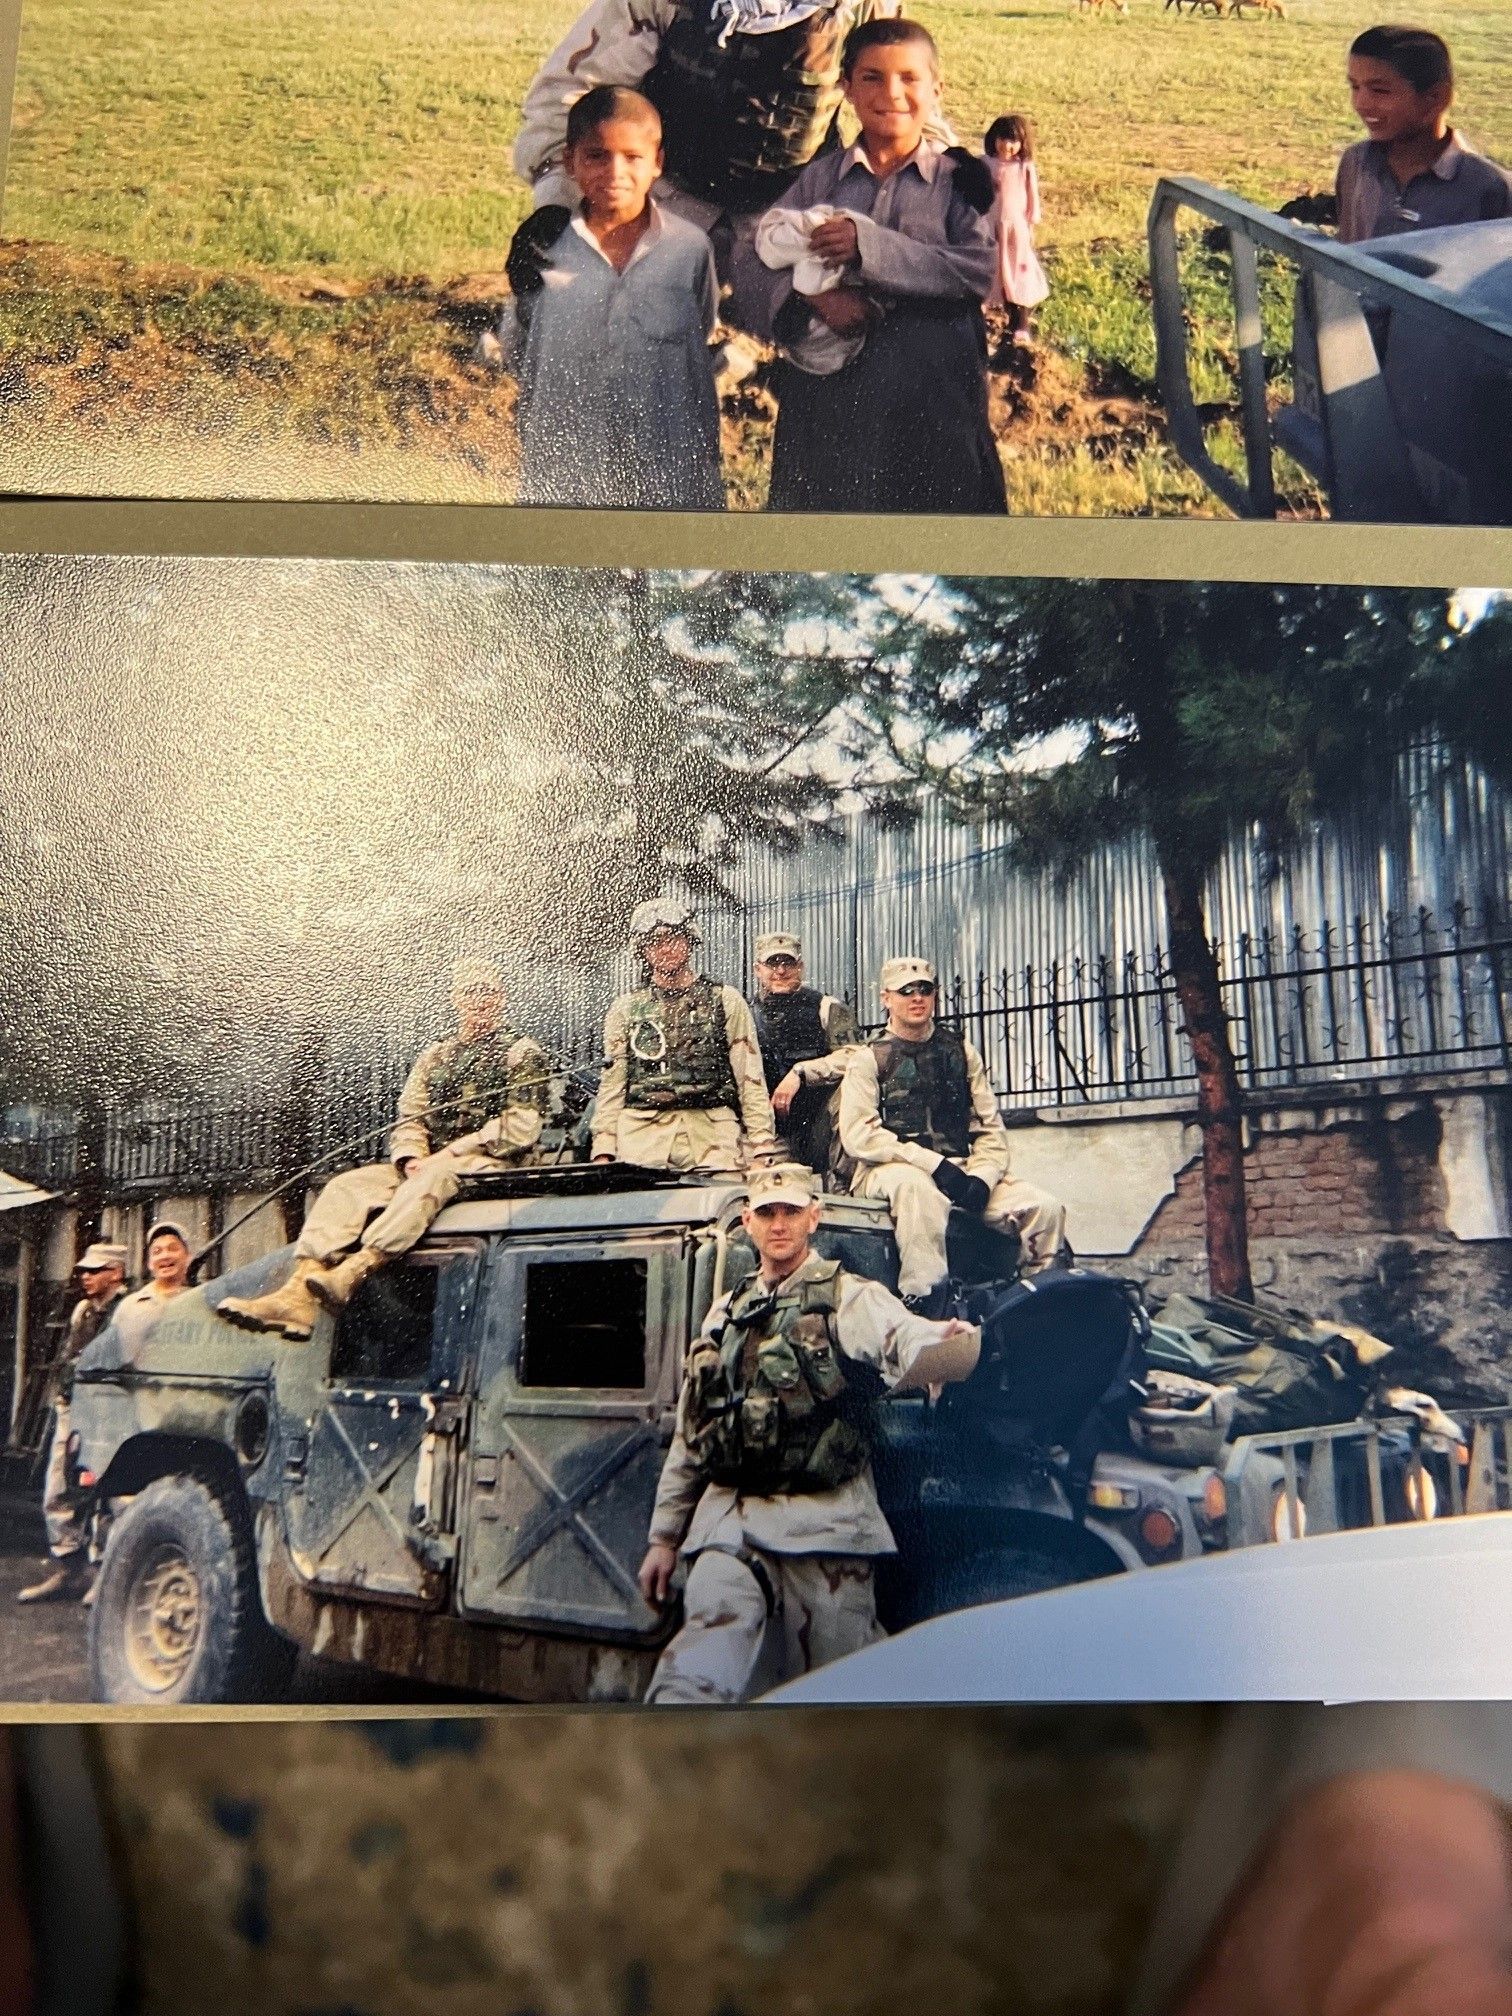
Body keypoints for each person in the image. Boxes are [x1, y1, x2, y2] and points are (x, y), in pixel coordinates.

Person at [637, 1161, 980, 1702]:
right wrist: (664, 1537)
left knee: (843, 1691)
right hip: (732, 1525)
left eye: (791, 1212)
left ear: (813, 1218)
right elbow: (693, 1430)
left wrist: (940, 1340)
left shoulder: (847, 1295)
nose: (779, 1224)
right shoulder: (726, 1314)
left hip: (823, 1528)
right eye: (767, 1213)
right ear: (747, 1222)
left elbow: (898, 1334)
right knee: (694, 1676)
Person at [512, 0, 952, 321]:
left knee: (858, 335)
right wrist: (556, 204)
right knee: (570, 313)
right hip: (668, 200)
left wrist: (950, 183)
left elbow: (903, 106)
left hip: (794, 215)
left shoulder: (857, 7)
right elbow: (569, 97)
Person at [737, 18, 1006, 514]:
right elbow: (751, 255)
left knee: (939, 523)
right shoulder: (821, 178)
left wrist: (871, 246)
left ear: (937, 89)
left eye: (909, 78)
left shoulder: (960, 182)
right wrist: (814, 298)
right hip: (832, 399)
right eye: (871, 78)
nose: (892, 93)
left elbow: (974, 270)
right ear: (845, 88)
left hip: (933, 390)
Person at [217, 959, 550, 1342]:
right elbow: (410, 1117)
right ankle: (298, 1294)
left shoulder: (522, 1052)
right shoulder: (435, 1057)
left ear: (501, 998)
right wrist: (410, 1157)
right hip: (428, 1164)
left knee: (432, 1181)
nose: (479, 1000)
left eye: (488, 991)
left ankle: (352, 1271)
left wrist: (447, 1156)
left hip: (494, 1164)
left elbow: (521, 1126)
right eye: (470, 991)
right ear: (456, 999)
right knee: (347, 1186)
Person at [506, 87, 723, 509]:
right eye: (596, 156)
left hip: (665, 468)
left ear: (657, 162)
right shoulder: (546, 250)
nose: (614, 172)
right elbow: (522, 345)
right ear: (570, 161)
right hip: (567, 469)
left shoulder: (688, 248)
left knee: (667, 567)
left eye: (633, 157)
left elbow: (701, 331)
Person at [838, 955, 1065, 1311]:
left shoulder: (960, 1051)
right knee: (918, 1193)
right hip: (889, 1169)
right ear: (886, 998)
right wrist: (932, 1165)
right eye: (905, 991)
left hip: (961, 1167)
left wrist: (983, 1178)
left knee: (1044, 1207)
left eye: (924, 990)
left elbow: (989, 1128)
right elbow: (859, 1135)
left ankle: (1046, 1300)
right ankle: (927, 1301)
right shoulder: (869, 1058)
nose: (916, 998)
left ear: (935, 995)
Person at [592, 900, 776, 1172]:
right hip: (642, 1134)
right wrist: (604, 1148)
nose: (665, 948)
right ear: (643, 950)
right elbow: (613, 1082)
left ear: (689, 940)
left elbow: (749, 1075)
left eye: (673, 938)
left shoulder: (725, 1000)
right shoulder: (625, 1009)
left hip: (711, 1132)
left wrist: (762, 1144)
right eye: (654, 942)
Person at [17, 1244, 129, 1605]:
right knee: (58, 1486)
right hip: (73, 1405)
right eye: (83, 1270)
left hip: (110, 1409)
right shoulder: (83, 1310)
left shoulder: (127, 1310)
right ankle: (69, 1566)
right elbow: (69, 1356)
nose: (86, 1276)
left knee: (104, 1490)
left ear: (116, 1272)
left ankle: (103, 1573)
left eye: (95, 1270)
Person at [1337, 26, 1512, 244]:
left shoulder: (1490, 188)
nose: (1360, 104)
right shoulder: (1357, 162)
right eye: (1355, 87)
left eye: (1380, 91)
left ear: (1436, 97)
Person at [747, 931, 860, 1173]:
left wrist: (802, 1071)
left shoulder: (826, 1008)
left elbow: (855, 1057)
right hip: (770, 1131)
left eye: (787, 963)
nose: (780, 971)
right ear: (758, 970)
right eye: (772, 963)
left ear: (800, 967)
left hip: (821, 1124)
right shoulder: (746, 1015)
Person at [983, 113, 1047, 358]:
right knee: (995, 274)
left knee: (1019, 276)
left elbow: (1033, 200)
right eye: (1003, 139)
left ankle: (1021, 325)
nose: (1007, 146)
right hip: (991, 228)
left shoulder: (1024, 168)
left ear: (1023, 144)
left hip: (1016, 231)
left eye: (1014, 142)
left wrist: (1030, 225)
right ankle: (993, 324)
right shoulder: (986, 164)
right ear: (993, 138)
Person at [112, 1220, 193, 1356]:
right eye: (157, 1252)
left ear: (188, 1257)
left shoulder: (200, 1301)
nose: (165, 1256)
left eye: (173, 1249)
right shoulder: (129, 1306)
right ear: (149, 1263)